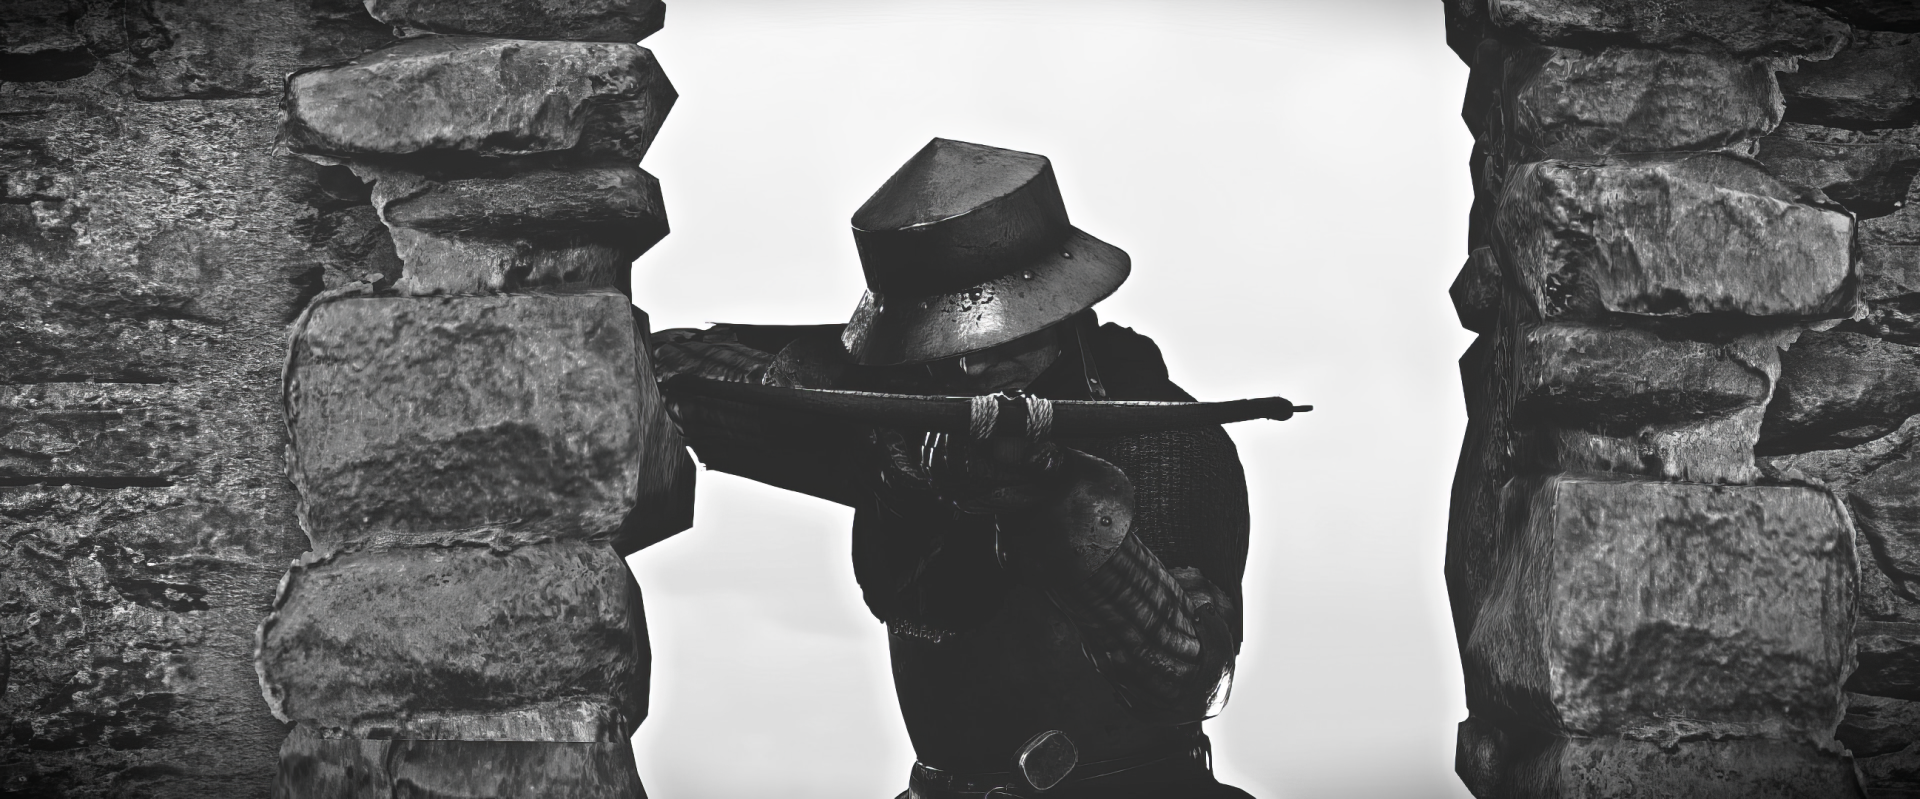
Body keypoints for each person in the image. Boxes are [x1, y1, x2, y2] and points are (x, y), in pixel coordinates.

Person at [654, 138, 1254, 798]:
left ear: (1056, 309)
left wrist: (1054, 499)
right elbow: (664, 372)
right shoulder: (910, 414)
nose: (970, 362)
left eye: (997, 336)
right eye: (942, 338)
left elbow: (1185, 674)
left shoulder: (1168, 441)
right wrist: (878, 435)